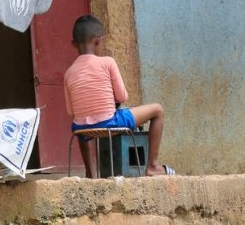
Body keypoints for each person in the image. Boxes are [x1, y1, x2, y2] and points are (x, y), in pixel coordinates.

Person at [63, 15, 173, 177]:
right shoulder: (108, 62)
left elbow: (71, 112)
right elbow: (122, 97)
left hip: (82, 130)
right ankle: (152, 166)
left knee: (82, 119)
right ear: (98, 41)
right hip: (110, 123)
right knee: (158, 110)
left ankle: (90, 173)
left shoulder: (68, 73)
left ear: (73, 44)